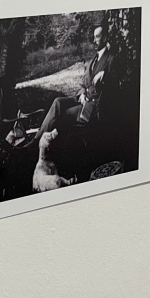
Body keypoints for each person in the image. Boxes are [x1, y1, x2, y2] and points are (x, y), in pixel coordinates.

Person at [32, 25, 112, 192]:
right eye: (94, 36)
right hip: (83, 99)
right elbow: (83, 83)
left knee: (64, 116)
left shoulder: (111, 59)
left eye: (97, 37)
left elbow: (117, 80)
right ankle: (37, 140)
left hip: (94, 106)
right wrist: (81, 93)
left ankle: (49, 155)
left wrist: (106, 75)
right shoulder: (93, 59)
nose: (94, 40)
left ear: (105, 37)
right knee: (58, 102)